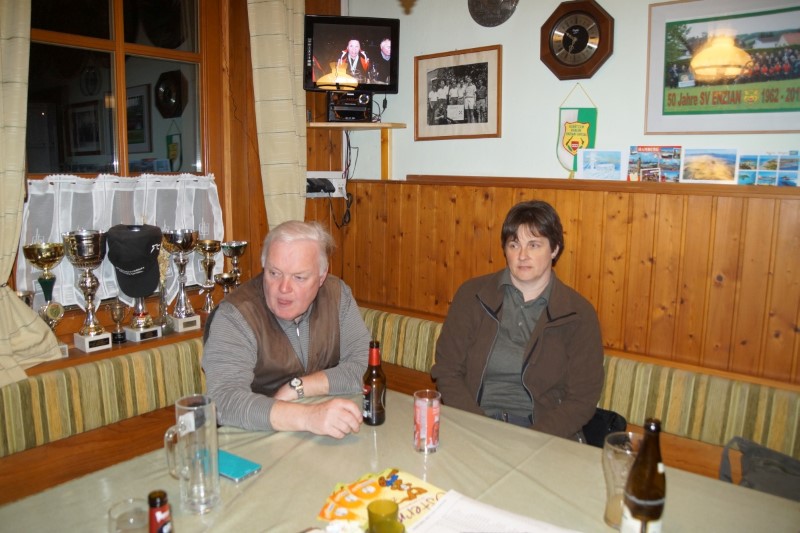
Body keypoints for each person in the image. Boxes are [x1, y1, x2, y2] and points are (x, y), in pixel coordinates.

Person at [430, 200, 604, 440]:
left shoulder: (578, 314)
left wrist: (530, 440)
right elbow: (447, 371)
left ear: (554, 249)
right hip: (474, 423)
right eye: (514, 244)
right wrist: (479, 428)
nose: (522, 255)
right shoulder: (472, 296)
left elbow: (582, 399)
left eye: (534, 245)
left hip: (543, 434)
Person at [202, 220, 370, 438]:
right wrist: (309, 417)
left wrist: (298, 387)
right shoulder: (235, 315)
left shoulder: (337, 296)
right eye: (274, 273)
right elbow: (225, 401)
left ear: (322, 277)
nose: (283, 288)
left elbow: (365, 366)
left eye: (299, 277)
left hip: (324, 433)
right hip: (254, 438)